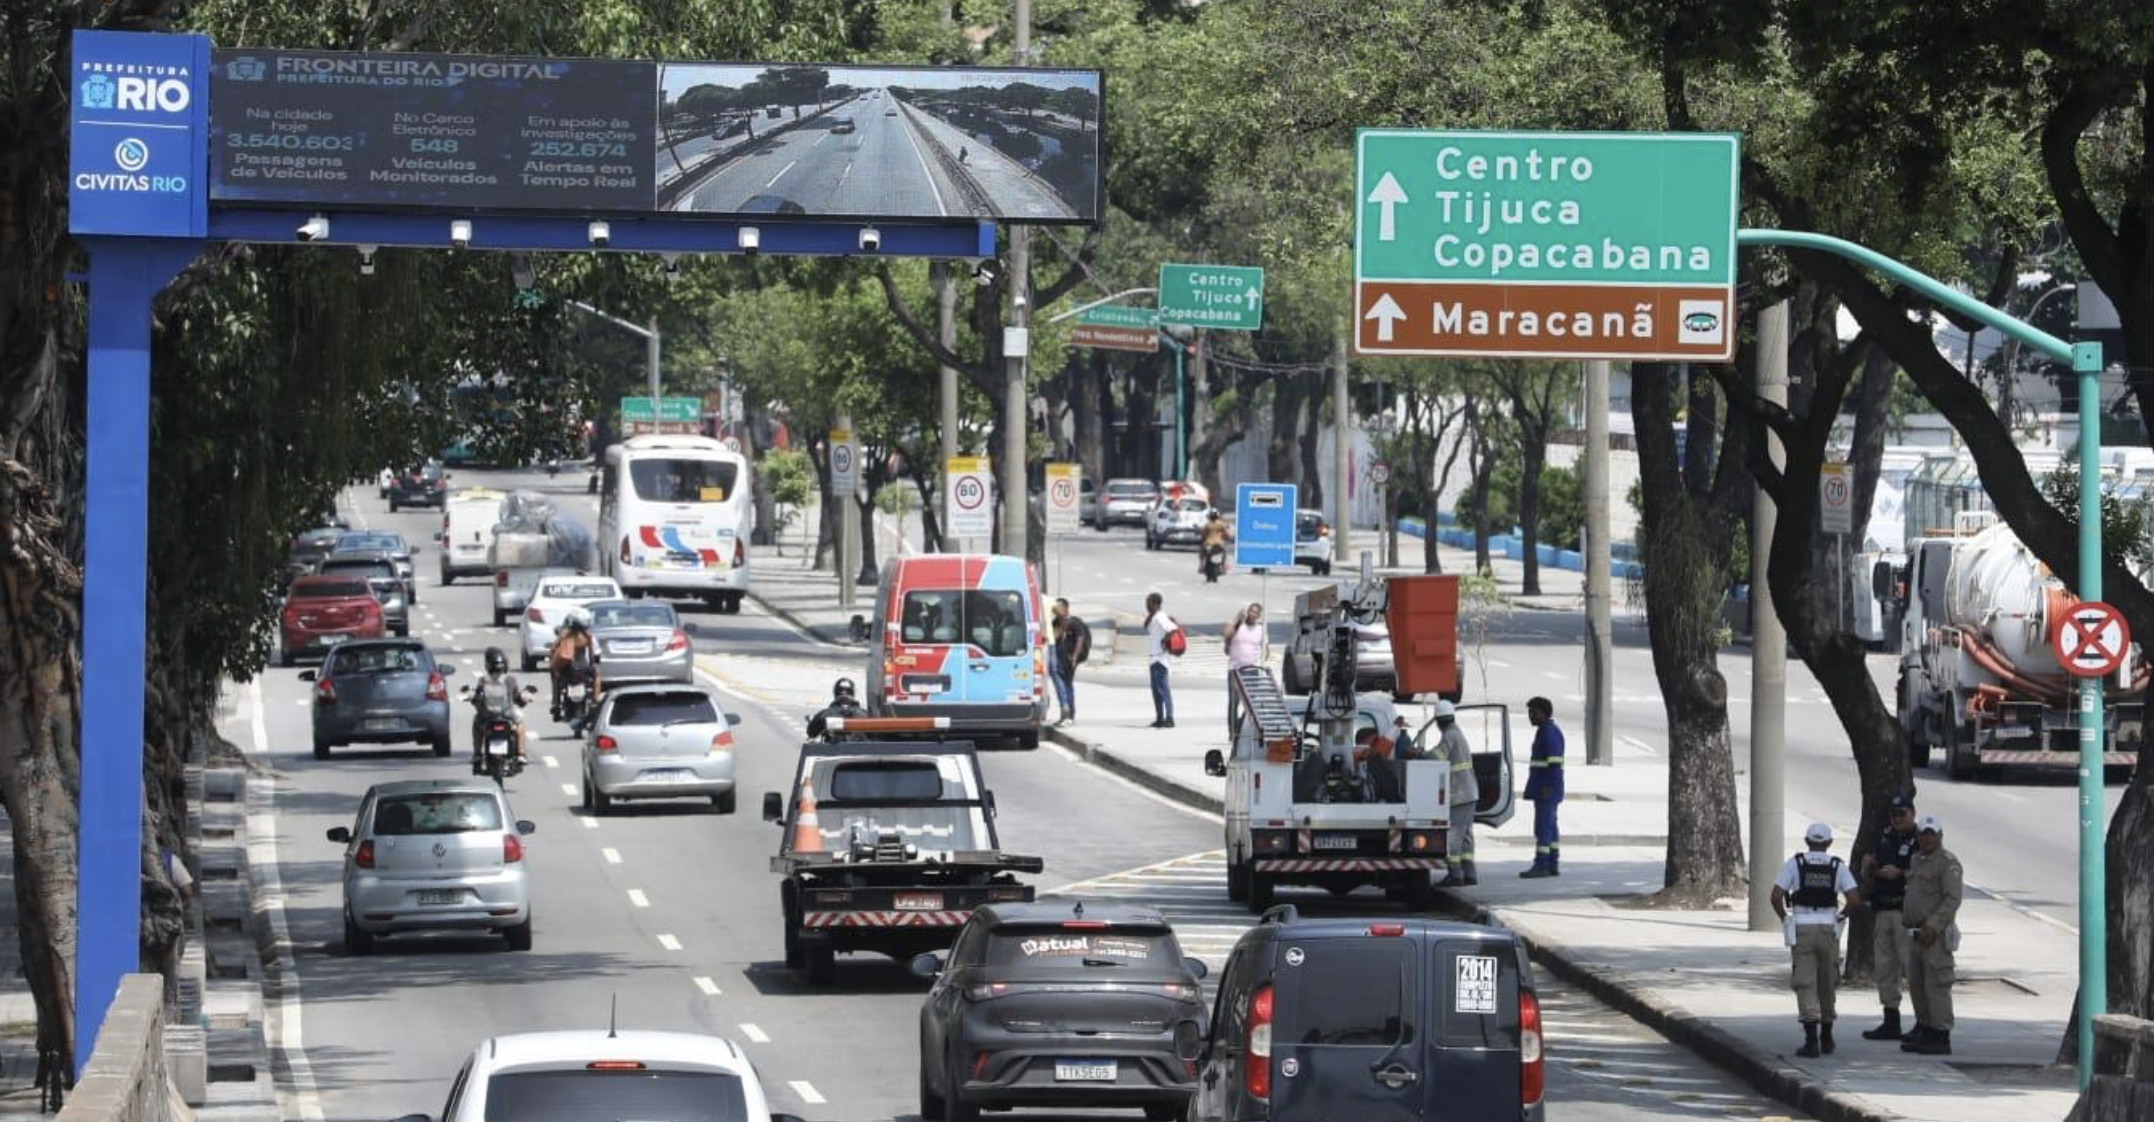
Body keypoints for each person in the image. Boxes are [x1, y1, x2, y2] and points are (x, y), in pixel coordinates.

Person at [1770, 822, 1862, 1058]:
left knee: (1805, 982)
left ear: (1807, 841)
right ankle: (1827, 1037)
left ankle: (1811, 1041)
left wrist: (1785, 919)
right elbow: (1854, 898)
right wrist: (1841, 917)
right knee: (1827, 981)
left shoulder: (1795, 863)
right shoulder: (1837, 866)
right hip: (1828, 928)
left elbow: (1776, 895)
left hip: (1802, 927)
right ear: (1829, 843)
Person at [1859, 794, 1921, 1041]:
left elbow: (1925, 874)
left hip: (1906, 911)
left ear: (1913, 813)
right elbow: (1870, 870)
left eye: (1902, 814)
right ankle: (1890, 1020)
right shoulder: (1885, 836)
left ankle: (1923, 1022)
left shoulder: (1921, 838)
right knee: (1885, 968)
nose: (1897, 819)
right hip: (1883, 908)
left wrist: (1901, 873)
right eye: (1894, 815)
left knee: (1912, 968)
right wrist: (1869, 867)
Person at [1900, 814, 1962, 1056]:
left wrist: (1933, 926)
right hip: (1915, 932)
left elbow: (1952, 899)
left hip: (1934, 935)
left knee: (1936, 985)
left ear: (1940, 836)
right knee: (1917, 984)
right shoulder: (1917, 859)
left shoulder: (1947, 862)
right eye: (1923, 834)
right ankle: (1925, 1028)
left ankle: (1941, 1034)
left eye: (1931, 834)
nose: (1927, 838)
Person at [1432, 700, 1479, 887]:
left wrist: (1418, 753)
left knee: (1454, 836)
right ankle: (1469, 873)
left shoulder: (1450, 735)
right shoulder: (1457, 733)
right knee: (1466, 835)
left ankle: (1456, 875)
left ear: (1438, 721)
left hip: (1459, 794)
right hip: (1469, 793)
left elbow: (1437, 757)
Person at [1521, 697, 1565, 878]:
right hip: (1547, 788)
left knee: (1543, 828)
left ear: (1543, 713)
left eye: (1533, 712)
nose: (1530, 716)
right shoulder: (1546, 731)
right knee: (1550, 827)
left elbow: (1554, 762)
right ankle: (1552, 864)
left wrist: (1547, 787)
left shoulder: (1548, 733)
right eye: (1529, 712)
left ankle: (1541, 865)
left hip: (1547, 789)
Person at [468, 647, 528, 770]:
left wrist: (474, 701)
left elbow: (476, 699)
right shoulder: (510, 680)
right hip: (508, 715)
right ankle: (521, 754)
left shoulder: (482, 680)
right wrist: (523, 701)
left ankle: (477, 753)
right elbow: (518, 698)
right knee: (520, 723)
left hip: (487, 716)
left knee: (476, 723)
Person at [1223, 603, 1267, 737]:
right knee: (1234, 702)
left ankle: (1248, 731)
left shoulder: (1261, 630)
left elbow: (1266, 649)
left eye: (1256, 612)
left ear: (1259, 615)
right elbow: (1226, 634)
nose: (1252, 614)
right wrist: (1237, 618)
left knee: (1251, 704)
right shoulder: (1238, 626)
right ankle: (1233, 732)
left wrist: (1262, 657)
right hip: (1235, 669)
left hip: (1252, 670)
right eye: (1250, 611)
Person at [547, 609, 599, 719]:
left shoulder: (565, 635)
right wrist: (592, 664)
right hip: (584, 668)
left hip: (568, 668)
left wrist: (552, 656)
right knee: (596, 675)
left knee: (556, 676)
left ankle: (556, 703)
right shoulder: (587, 636)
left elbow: (554, 647)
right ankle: (596, 701)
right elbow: (592, 654)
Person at [1050, 598, 1089, 725]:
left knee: (1067, 684)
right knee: (1061, 686)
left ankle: (1070, 716)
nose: (1056, 609)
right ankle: (1065, 714)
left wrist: (1074, 657)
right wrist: (1061, 622)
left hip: (1069, 659)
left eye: (1059, 607)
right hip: (1058, 658)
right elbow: (1055, 638)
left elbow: (1080, 639)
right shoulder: (1056, 622)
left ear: (1066, 608)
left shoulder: (1075, 622)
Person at [1144, 592, 1178, 728]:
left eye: (1148, 603)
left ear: (1155, 603)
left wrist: (1165, 640)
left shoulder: (1160, 617)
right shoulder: (1155, 617)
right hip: (1154, 658)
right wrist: (1150, 614)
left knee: (1163, 690)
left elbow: (1173, 629)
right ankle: (1159, 718)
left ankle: (1169, 718)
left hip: (1160, 659)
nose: (1146, 606)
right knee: (1156, 691)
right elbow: (1146, 627)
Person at [1199, 513, 1230, 582]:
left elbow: (1203, 535)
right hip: (1219, 545)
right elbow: (1227, 535)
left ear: (1210, 517)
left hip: (1208, 545)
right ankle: (1223, 565)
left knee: (1202, 553)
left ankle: (1201, 565)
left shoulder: (1207, 524)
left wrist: (1203, 539)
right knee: (1224, 553)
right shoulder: (1221, 524)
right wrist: (1227, 538)